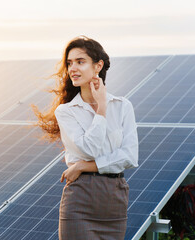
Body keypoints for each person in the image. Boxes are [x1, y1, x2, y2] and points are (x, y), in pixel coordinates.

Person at [32, 35, 139, 239]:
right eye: (70, 63)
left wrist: (83, 166)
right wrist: (101, 109)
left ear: (98, 66)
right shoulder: (66, 111)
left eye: (80, 62)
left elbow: (130, 156)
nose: (73, 68)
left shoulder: (123, 106)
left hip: (114, 200)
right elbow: (88, 150)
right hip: (80, 200)